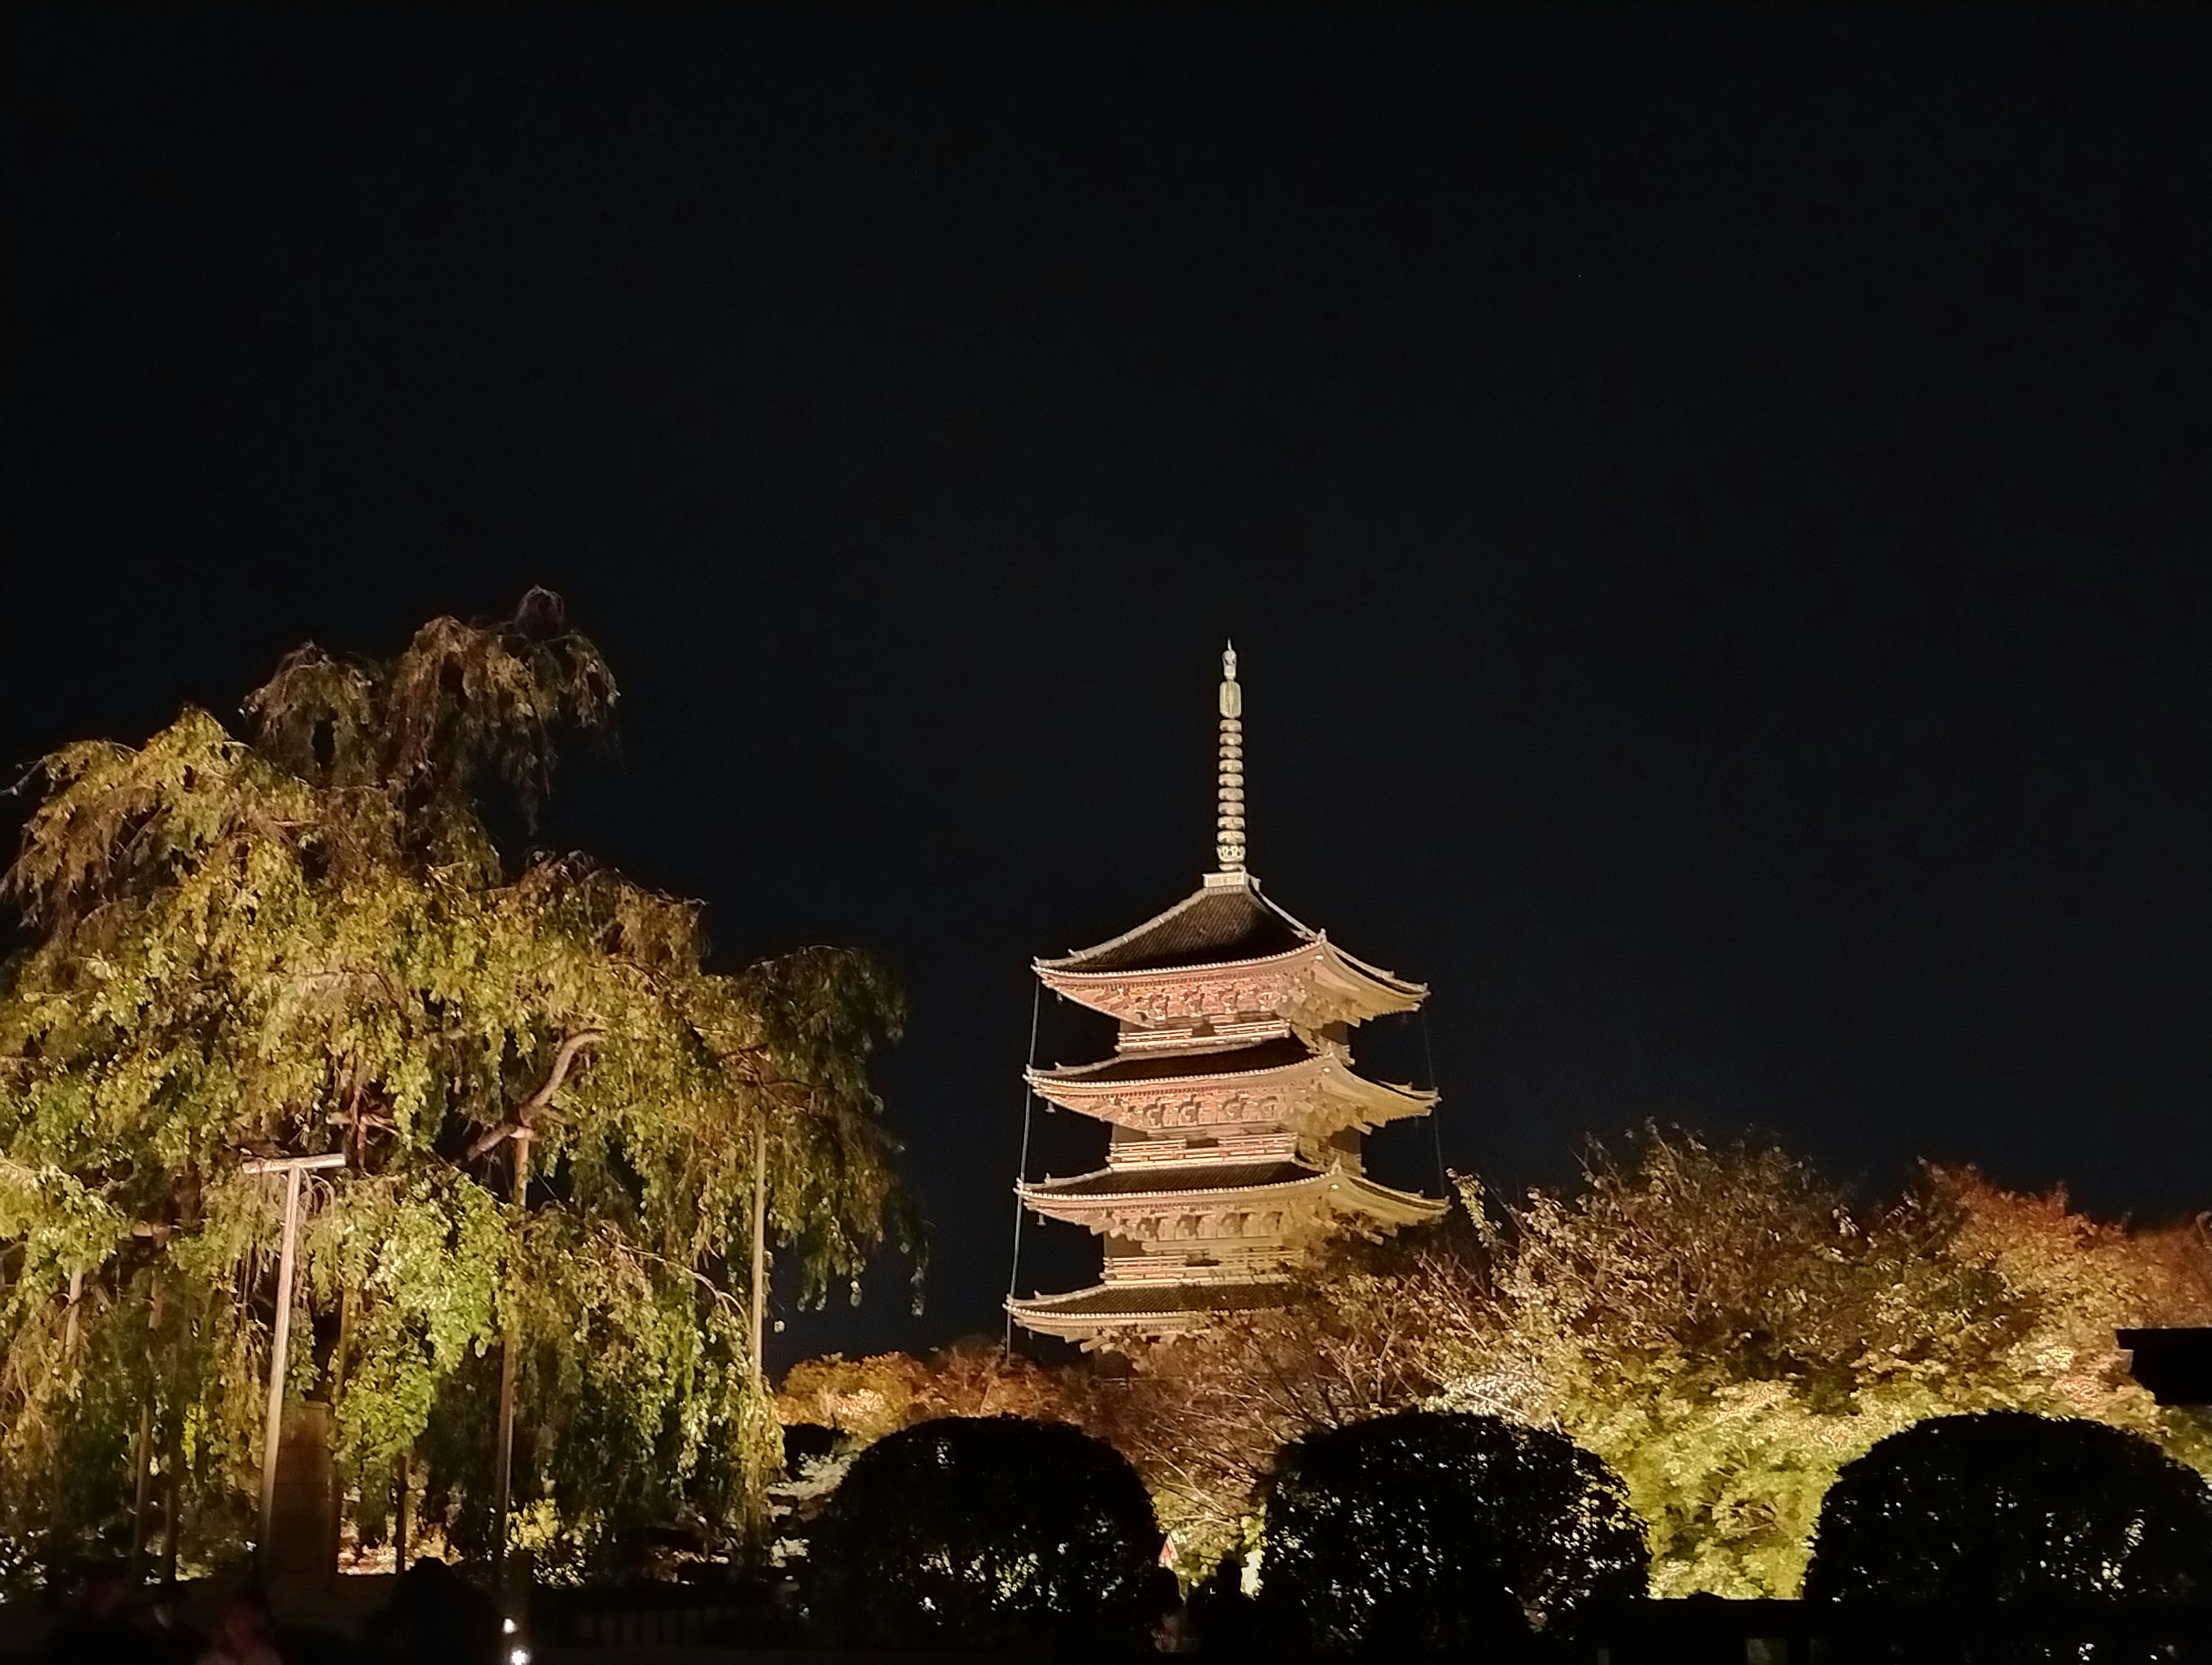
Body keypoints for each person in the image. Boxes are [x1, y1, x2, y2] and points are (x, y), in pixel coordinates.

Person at [41, 1564, 151, 1665]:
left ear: (119, 1594)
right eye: (94, 1590)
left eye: (105, 1590)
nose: (99, 1597)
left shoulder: (134, 1638)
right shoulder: (68, 1635)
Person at [195, 1589, 281, 1665]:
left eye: (241, 1613)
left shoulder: (269, 1658)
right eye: (230, 1613)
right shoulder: (210, 1660)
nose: (233, 1619)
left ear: (256, 1619)